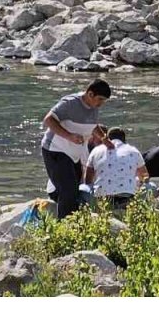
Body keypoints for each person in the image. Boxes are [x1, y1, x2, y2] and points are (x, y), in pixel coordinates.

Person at [41, 78, 111, 219]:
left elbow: (93, 126)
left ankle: (73, 223)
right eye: (100, 99)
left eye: (104, 101)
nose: (101, 104)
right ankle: (64, 228)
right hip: (56, 150)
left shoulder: (93, 108)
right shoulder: (70, 103)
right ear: (90, 94)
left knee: (77, 189)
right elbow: (48, 120)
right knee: (68, 191)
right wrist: (69, 136)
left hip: (74, 155)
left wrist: (104, 139)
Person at [86, 127, 148, 214]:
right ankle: (142, 212)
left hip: (102, 198)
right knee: (149, 186)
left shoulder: (96, 151)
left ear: (107, 138)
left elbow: (88, 180)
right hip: (127, 197)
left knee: (84, 188)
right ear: (124, 139)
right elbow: (145, 176)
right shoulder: (133, 150)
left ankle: (88, 212)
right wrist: (137, 181)